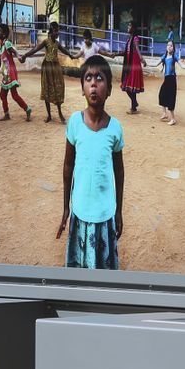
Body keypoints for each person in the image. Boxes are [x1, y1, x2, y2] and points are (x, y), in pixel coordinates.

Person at [56, 54, 125, 270]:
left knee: (103, 273)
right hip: (80, 212)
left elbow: (119, 172)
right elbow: (68, 167)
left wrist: (119, 211)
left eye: (100, 78)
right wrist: (66, 208)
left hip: (105, 215)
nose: (93, 84)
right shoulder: (75, 123)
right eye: (88, 78)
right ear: (82, 88)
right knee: (80, 271)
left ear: (110, 89)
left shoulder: (115, 129)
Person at [22, 20, 69, 124]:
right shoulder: (45, 42)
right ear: (51, 32)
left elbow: (64, 50)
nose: (57, 33)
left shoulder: (57, 43)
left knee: (58, 88)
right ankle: (49, 115)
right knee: (47, 89)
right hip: (47, 68)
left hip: (56, 68)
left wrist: (71, 55)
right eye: (55, 31)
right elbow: (35, 49)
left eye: (58, 31)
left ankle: (60, 113)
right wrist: (25, 55)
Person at [0, 22, 30, 121]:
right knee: (6, 95)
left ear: (4, 34)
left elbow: (14, 51)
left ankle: (25, 109)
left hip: (10, 73)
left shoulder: (7, 43)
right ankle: (14, 112)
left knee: (12, 95)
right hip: (6, 75)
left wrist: (19, 57)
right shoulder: (2, 47)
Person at [119, 22, 146, 115]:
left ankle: (133, 106)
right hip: (128, 64)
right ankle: (134, 103)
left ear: (133, 28)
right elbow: (126, 52)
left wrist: (142, 59)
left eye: (130, 26)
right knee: (126, 86)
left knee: (129, 86)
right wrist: (115, 54)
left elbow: (137, 49)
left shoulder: (135, 38)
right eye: (128, 25)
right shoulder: (128, 39)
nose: (128, 27)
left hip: (134, 65)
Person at [152, 39, 179, 125]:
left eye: (171, 45)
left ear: (173, 48)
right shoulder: (164, 56)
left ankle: (173, 119)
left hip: (172, 79)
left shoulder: (174, 56)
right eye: (168, 45)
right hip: (166, 79)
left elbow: (182, 65)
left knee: (171, 99)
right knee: (162, 95)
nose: (169, 47)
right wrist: (145, 63)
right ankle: (164, 113)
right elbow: (156, 64)